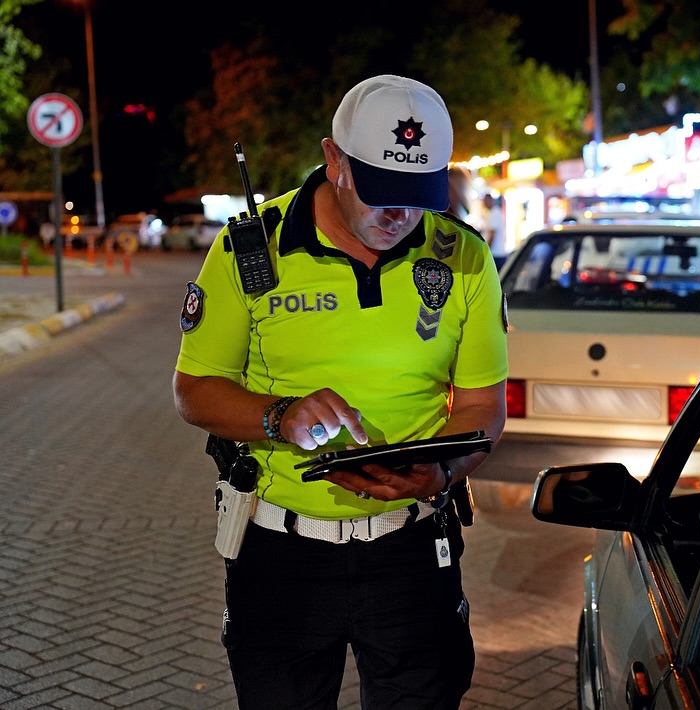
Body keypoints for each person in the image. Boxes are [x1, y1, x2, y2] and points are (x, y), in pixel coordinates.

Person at [172, 74, 508, 709]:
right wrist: (279, 417)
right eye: (382, 191)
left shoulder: (462, 258)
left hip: (414, 550)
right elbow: (194, 391)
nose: (399, 215)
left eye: (418, 195)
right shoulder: (251, 249)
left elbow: (482, 407)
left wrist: (441, 470)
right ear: (333, 160)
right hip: (279, 556)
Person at [482, 194, 507, 268]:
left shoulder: (495, 213)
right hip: (496, 253)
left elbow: (492, 234)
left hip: (496, 254)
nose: (484, 204)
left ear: (491, 200)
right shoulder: (492, 212)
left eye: (485, 201)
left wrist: (486, 251)